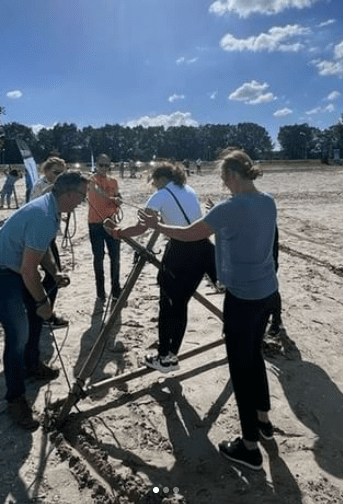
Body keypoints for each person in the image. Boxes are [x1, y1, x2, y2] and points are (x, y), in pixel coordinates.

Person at [138, 149, 279, 472]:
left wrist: (158, 226)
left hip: (243, 298)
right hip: (267, 292)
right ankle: (263, 422)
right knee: (254, 357)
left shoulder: (230, 207)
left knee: (241, 369)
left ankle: (249, 447)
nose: (223, 183)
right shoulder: (267, 201)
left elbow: (189, 234)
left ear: (232, 175)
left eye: (223, 178)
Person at [0, 171, 87, 430]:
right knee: (17, 334)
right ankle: (15, 399)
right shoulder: (44, 215)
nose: (83, 201)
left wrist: (54, 273)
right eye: (82, 195)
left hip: (12, 269)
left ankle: (32, 364)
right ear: (69, 194)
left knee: (35, 318)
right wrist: (42, 302)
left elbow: (40, 247)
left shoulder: (51, 207)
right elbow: (28, 270)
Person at [110, 161, 216, 373]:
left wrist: (118, 232)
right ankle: (171, 354)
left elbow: (141, 228)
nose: (153, 185)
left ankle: (165, 357)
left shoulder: (160, 195)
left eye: (154, 181)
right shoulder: (188, 189)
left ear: (160, 178)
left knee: (169, 306)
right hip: (205, 248)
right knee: (181, 304)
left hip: (181, 251)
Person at [31, 156, 69, 329]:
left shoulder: (53, 185)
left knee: (51, 274)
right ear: (46, 171)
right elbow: (38, 201)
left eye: (62, 173)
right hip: (40, 235)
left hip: (48, 234)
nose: (59, 176)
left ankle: (42, 311)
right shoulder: (42, 185)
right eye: (56, 172)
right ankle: (46, 315)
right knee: (54, 274)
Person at [88, 154, 122, 302]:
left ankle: (116, 290)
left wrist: (119, 200)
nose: (103, 168)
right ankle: (100, 292)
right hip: (95, 224)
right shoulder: (91, 179)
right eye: (101, 165)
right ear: (96, 165)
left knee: (115, 258)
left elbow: (118, 195)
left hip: (111, 223)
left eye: (106, 165)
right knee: (99, 258)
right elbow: (97, 191)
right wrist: (112, 199)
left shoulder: (113, 181)